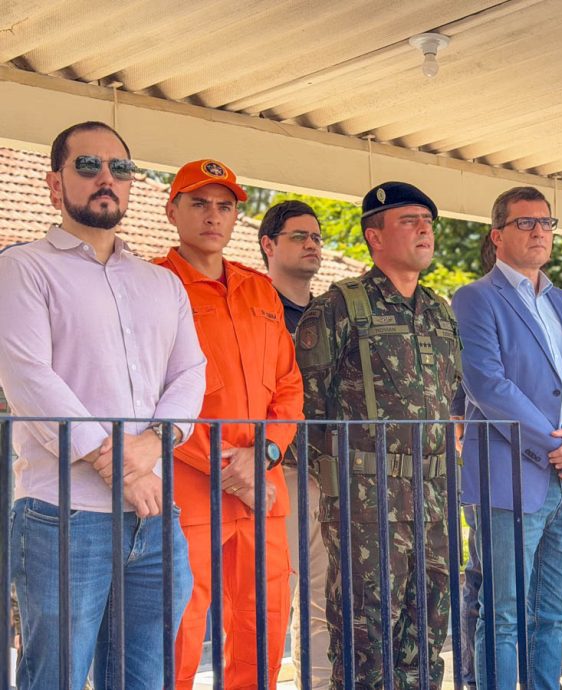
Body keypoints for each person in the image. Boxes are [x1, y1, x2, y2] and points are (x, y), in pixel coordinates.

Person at [0, 121, 206, 689]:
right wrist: (121, 467)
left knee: (146, 678)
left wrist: (152, 444)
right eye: (88, 166)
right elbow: (29, 377)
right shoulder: (22, 268)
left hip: (155, 517)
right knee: (56, 678)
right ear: (54, 184)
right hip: (63, 517)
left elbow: (191, 372)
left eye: (120, 168)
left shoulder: (162, 284)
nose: (106, 178)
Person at [295, 181, 462, 690]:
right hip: (366, 501)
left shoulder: (439, 311)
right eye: (409, 221)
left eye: (428, 222)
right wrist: (339, 479)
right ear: (375, 236)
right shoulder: (340, 307)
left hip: (434, 500)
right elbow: (306, 406)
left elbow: (451, 399)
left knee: (428, 636)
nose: (424, 230)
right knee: (366, 639)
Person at [156, 159, 304, 690]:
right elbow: (151, 391)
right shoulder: (154, 285)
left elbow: (288, 386)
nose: (213, 216)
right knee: (178, 624)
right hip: (189, 486)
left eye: (224, 206)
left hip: (261, 483)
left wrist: (263, 455)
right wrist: (227, 467)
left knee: (263, 620)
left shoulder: (259, 290)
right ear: (172, 210)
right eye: (199, 203)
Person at [453, 186, 562, 690]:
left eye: (546, 222)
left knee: (555, 613)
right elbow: (487, 384)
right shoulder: (475, 298)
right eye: (525, 222)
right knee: (503, 614)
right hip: (509, 480)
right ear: (497, 235)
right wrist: (558, 446)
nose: (539, 231)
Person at [258, 199, 330, 689]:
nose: (312, 245)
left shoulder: (330, 316)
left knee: (326, 601)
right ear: (269, 244)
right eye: (299, 236)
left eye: (317, 237)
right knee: (264, 600)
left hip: (325, 475)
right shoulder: (251, 308)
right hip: (269, 472)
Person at [457, 228, 498, 690]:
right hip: (487, 470)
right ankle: (471, 676)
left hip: (537, 471)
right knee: (482, 580)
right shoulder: (473, 307)